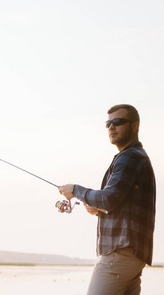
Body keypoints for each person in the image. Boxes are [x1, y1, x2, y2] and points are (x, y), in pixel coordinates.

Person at [59, 104, 156, 295]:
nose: (111, 127)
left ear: (135, 126)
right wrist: (99, 209)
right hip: (133, 257)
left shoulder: (129, 157)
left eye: (118, 122)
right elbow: (119, 202)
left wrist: (75, 190)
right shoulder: (135, 157)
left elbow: (109, 198)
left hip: (119, 254)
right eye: (108, 124)